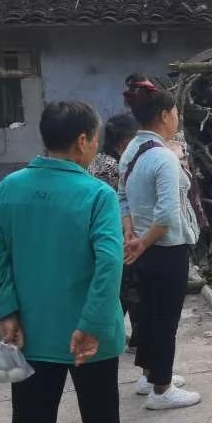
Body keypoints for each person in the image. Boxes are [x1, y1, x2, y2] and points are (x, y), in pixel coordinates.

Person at [0, 100, 143, 423]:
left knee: (30, 414)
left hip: (30, 329)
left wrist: (5, 311)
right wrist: (91, 324)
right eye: (95, 138)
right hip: (89, 334)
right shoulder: (97, 194)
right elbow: (109, 262)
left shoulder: (9, 188)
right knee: (99, 412)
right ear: (83, 141)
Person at [120, 76, 202, 410]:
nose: (177, 118)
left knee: (148, 314)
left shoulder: (131, 150)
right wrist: (143, 241)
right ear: (165, 115)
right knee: (165, 320)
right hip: (167, 248)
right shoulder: (164, 158)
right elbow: (167, 215)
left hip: (142, 246)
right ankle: (162, 390)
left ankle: (149, 376)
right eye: (176, 112)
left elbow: (122, 197)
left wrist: (132, 235)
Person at [89, 113, 141, 349]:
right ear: (125, 141)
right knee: (127, 287)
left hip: (100, 232)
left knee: (119, 286)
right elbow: (121, 202)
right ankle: (125, 336)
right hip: (115, 232)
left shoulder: (98, 160)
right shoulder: (116, 166)